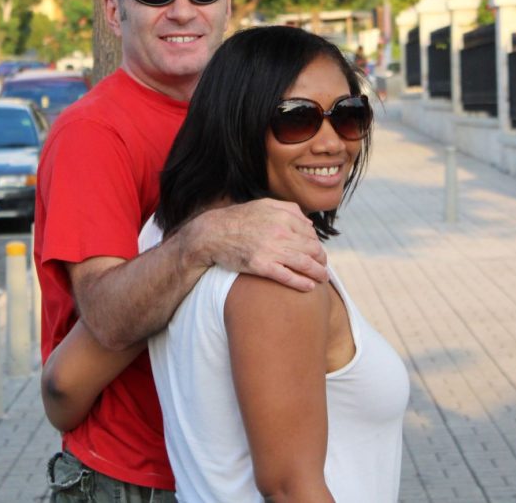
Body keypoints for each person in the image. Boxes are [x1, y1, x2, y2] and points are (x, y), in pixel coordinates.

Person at [35, 0, 329, 501]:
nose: (182, 9)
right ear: (115, 11)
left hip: (233, 463)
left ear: (225, 3)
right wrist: (204, 238)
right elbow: (107, 317)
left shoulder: (237, 114)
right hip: (140, 478)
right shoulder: (92, 134)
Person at [45, 25, 410, 501]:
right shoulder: (279, 274)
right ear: (238, 124)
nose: (330, 143)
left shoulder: (167, 236)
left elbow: (62, 388)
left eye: (348, 115)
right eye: (297, 119)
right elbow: (289, 488)